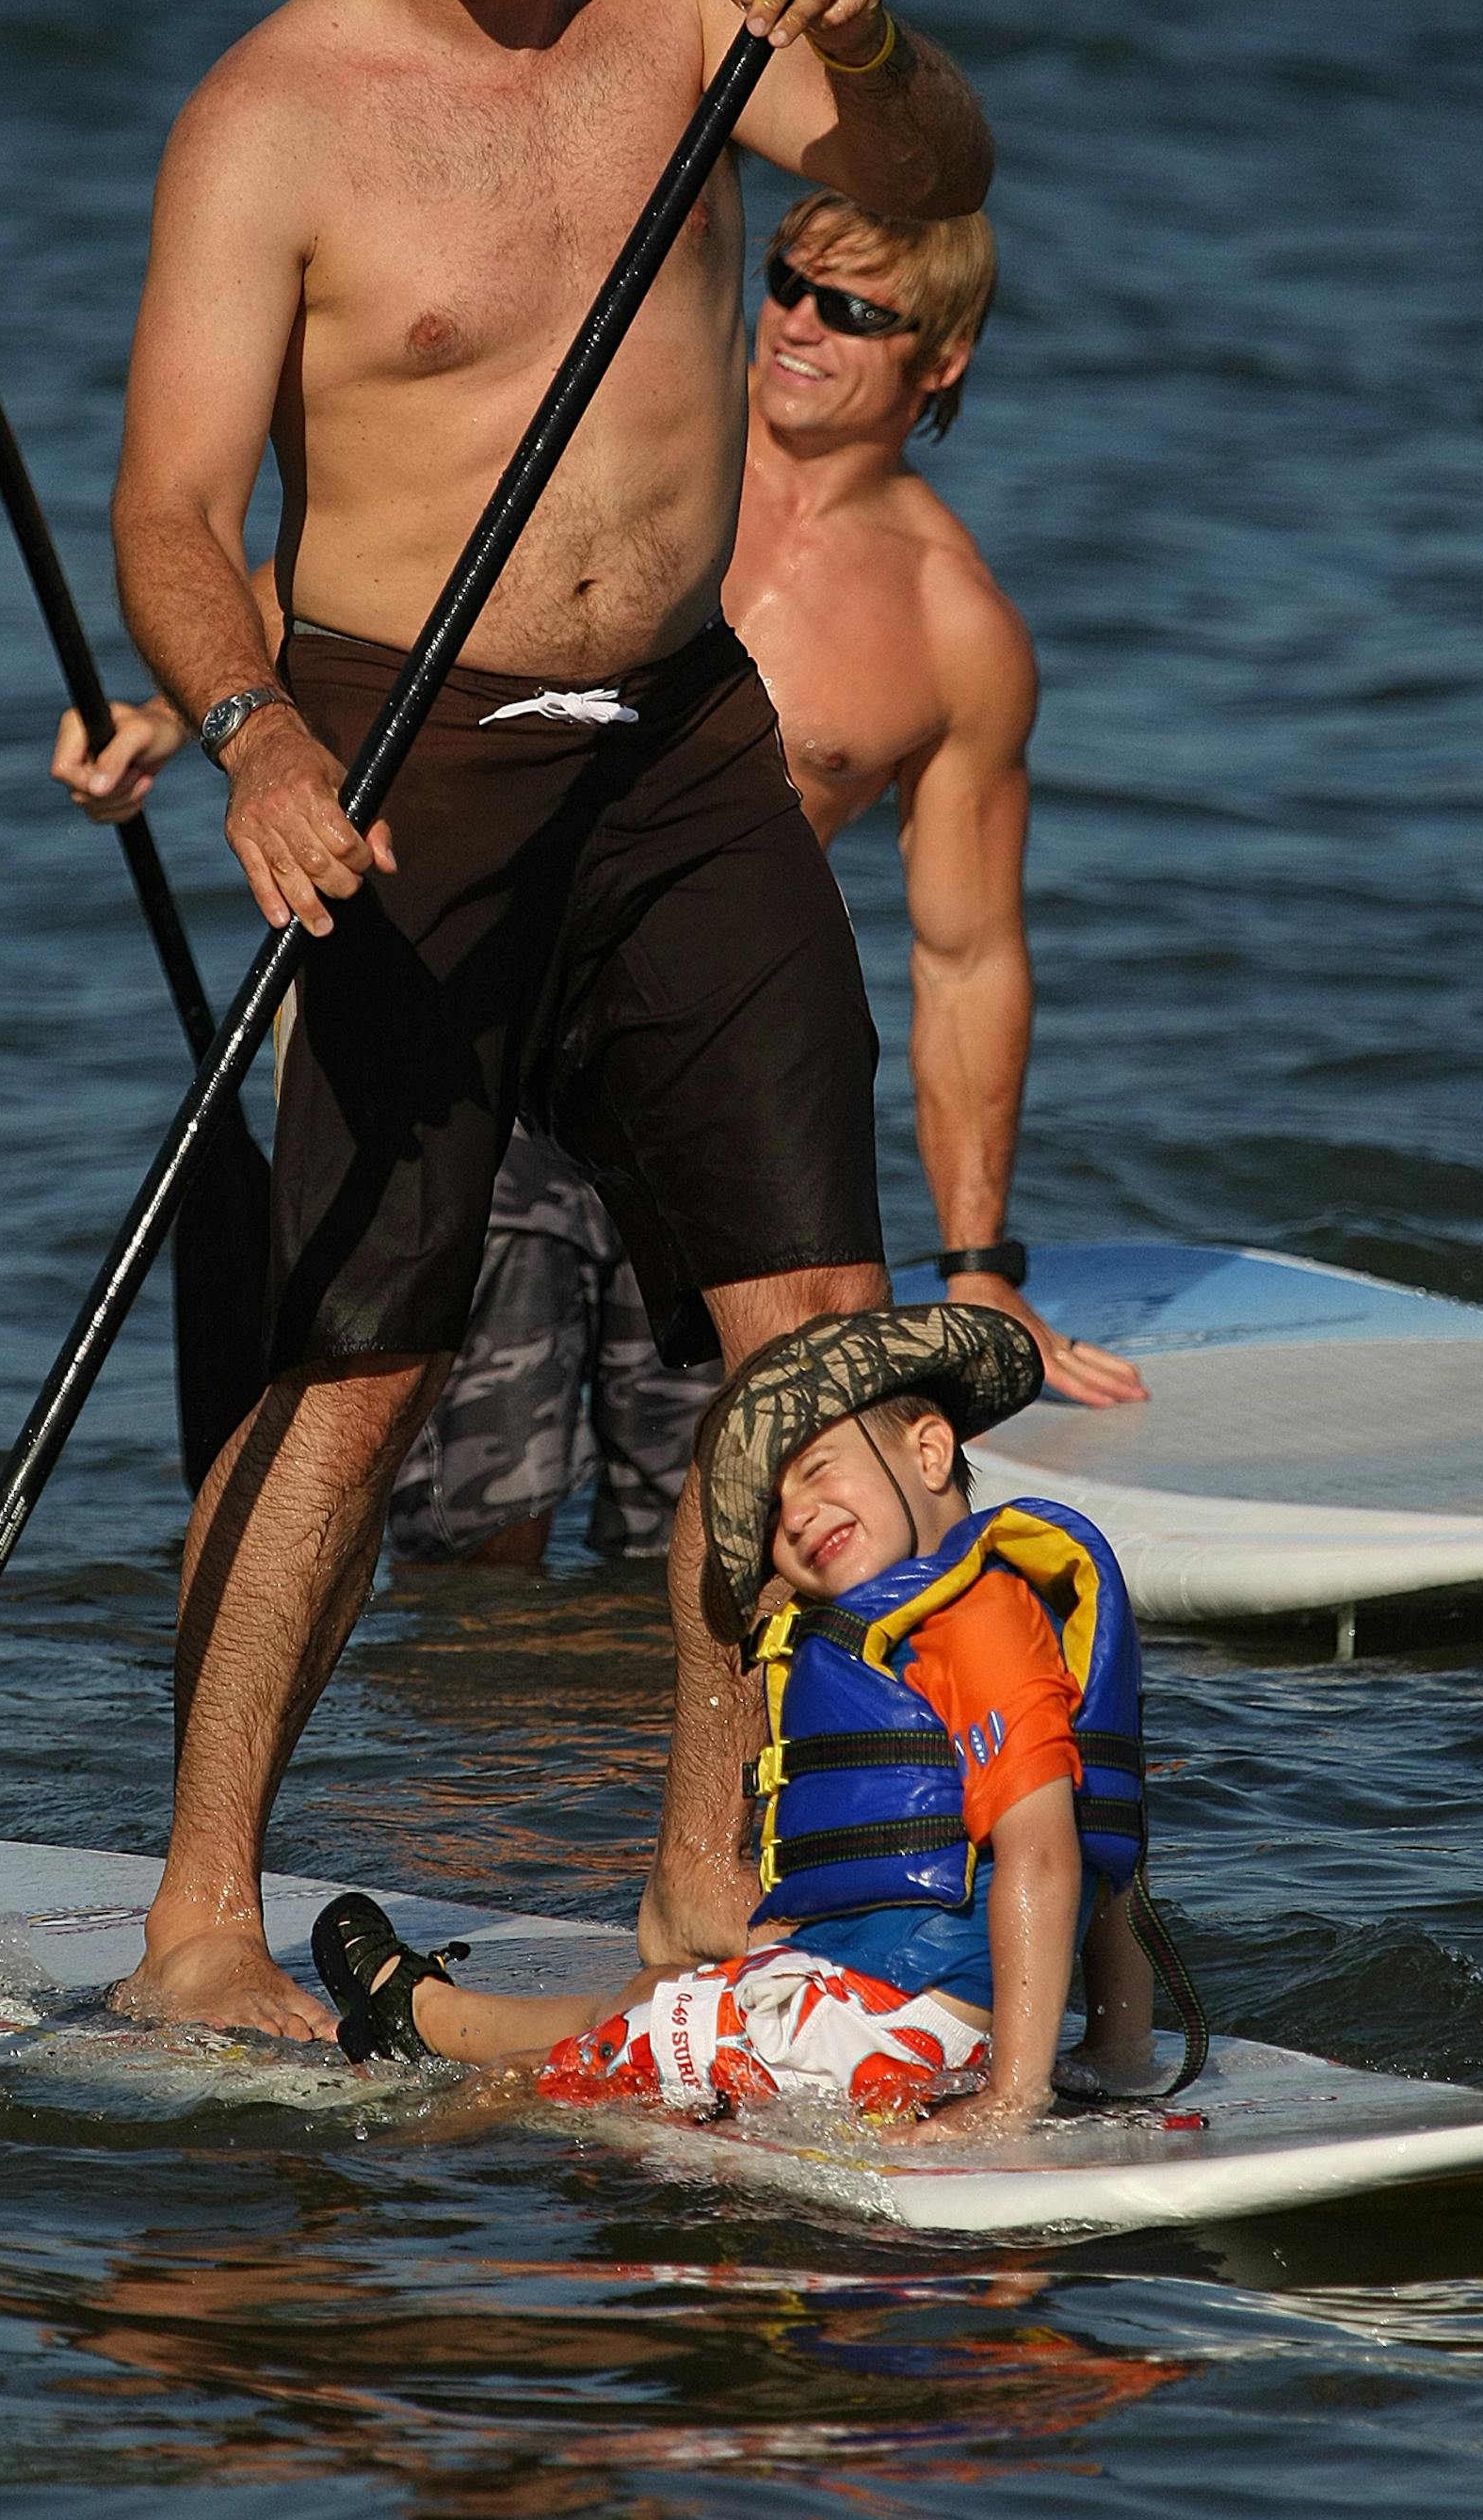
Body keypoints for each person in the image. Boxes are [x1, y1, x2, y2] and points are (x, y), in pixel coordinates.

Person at [52, 0, 994, 2038]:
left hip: (686, 745)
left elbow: (929, 172)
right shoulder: (272, 115)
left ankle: (704, 1894)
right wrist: (252, 734)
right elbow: (165, 511)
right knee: (358, 1367)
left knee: (811, 1340)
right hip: (400, 761)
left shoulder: (694, 7)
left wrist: (875, 46)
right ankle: (198, 1927)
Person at [376, 185, 1144, 1565]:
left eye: (855, 310)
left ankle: (638, 1778)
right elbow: (377, 571)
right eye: (787, 282)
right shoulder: (639, 442)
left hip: (706, 1092)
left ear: (942, 358)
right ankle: (456, 1776)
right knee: (471, 1546)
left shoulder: (951, 624)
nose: (797, 323)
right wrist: (196, 707)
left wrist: (977, 1265)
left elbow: (967, 961)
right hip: (492, 1041)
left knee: (708, 1538)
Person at [310, 1307, 1162, 2138]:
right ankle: (426, 2014)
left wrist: (1015, 2096)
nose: (794, 1515)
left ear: (931, 1451)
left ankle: (384, 2191)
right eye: (774, 1511)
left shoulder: (969, 1618)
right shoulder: (993, 1609)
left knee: (522, 2090)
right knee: (653, 1999)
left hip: (887, 2025)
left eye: (820, 1467)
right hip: (908, 2014)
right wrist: (1118, 2048)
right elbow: (1109, 1859)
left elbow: (1047, 1850)